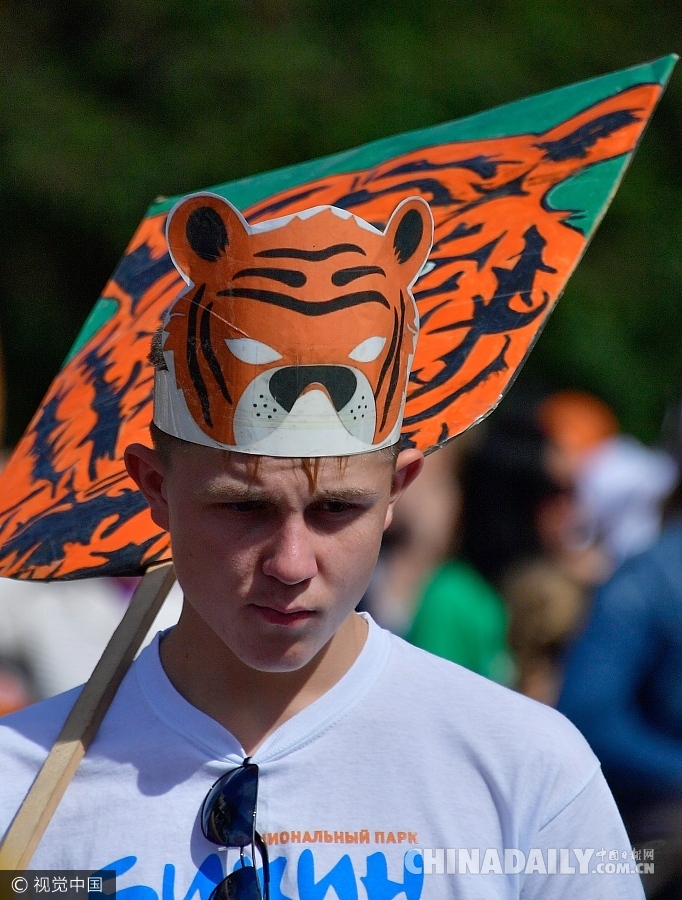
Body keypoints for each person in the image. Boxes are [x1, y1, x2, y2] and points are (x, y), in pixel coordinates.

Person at [0, 192, 642, 898]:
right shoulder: (23, 785)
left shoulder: (523, 771)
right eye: (243, 508)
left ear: (399, 487)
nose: (291, 564)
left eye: (338, 508)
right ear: (156, 487)